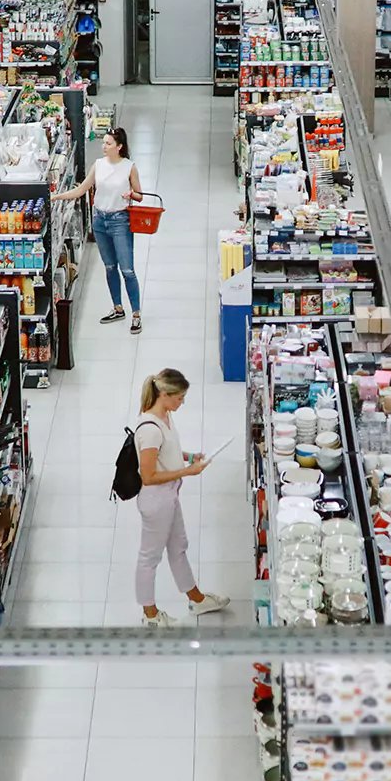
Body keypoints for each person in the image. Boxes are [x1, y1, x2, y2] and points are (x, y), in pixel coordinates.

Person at [134, 368, 230, 628]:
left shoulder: (166, 416)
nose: (182, 402)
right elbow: (148, 476)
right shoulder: (150, 429)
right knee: (149, 557)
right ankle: (151, 615)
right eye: (179, 398)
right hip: (156, 501)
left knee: (179, 546)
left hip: (169, 495)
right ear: (164, 394)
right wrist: (188, 471)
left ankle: (197, 599)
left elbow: (168, 452)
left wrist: (189, 457)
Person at [54, 126, 144, 334]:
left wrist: (130, 194)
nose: (103, 146)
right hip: (100, 220)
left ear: (119, 147)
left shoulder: (129, 167)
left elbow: (140, 195)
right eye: (104, 142)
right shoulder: (98, 165)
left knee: (127, 269)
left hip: (120, 220)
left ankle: (136, 314)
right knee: (110, 266)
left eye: (108, 143)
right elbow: (81, 189)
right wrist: (57, 197)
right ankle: (118, 308)